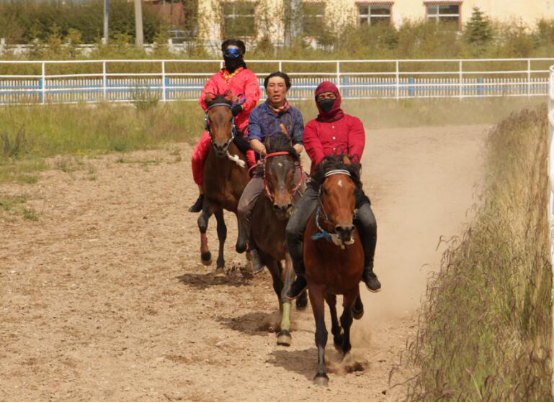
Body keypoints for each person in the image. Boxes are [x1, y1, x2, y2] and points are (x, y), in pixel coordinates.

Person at [285, 81, 381, 299]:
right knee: (292, 229)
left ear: (337, 97)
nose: (325, 100)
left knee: (369, 222)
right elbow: (314, 151)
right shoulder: (311, 127)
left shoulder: (354, 123)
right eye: (321, 97)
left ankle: (367, 271)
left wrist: (349, 163)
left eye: (330, 95)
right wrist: (326, 165)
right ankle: (301, 276)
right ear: (316, 102)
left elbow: (357, 147)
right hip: (319, 183)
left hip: (348, 184)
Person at [237, 72, 305, 273]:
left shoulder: (296, 114)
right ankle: (253, 248)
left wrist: (291, 152)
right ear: (266, 89)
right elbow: (253, 139)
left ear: (287, 89)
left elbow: (300, 142)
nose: (276, 89)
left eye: (280, 85)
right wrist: (267, 152)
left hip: (291, 169)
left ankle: (311, 246)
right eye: (271, 86)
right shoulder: (257, 114)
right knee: (243, 207)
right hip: (265, 169)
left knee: (312, 202)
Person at [189, 39, 261, 213]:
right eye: (228, 53)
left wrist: (240, 107)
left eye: (235, 53)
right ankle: (203, 193)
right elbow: (204, 97)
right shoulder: (215, 78)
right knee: (197, 156)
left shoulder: (248, 76)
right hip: (218, 127)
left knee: (253, 157)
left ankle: (258, 194)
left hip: (242, 125)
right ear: (223, 55)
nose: (231, 57)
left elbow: (253, 96)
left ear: (242, 54)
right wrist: (217, 110)